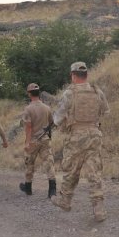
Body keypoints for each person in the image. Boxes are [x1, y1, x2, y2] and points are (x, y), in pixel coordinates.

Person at [50, 62, 110, 222]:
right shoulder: (97, 91)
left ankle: (65, 201)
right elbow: (105, 111)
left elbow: (57, 119)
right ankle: (99, 209)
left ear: (73, 75)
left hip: (76, 136)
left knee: (71, 170)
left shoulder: (69, 93)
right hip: (94, 135)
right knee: (94, 172)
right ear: (87, 75)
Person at [18, 83, 57, 198]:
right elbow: (52, 123)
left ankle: (28, 188)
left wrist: (27, 142)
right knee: (49, 163)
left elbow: (28, 127)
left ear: (29, 93)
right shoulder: (47, 108)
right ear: (39, 93)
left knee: (29, 163)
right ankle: (52, 190)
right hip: (45, 140)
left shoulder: (28, 109)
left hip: (33, 141)